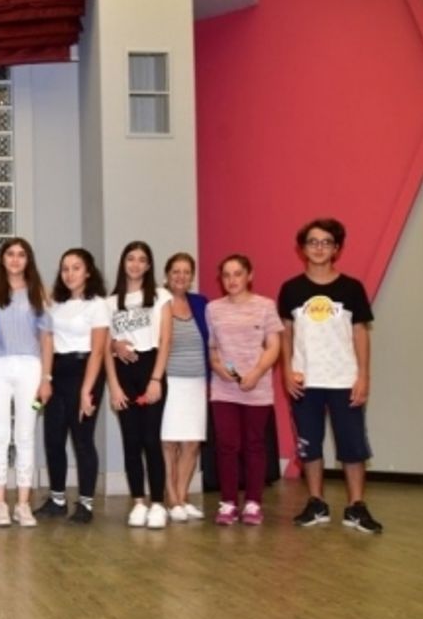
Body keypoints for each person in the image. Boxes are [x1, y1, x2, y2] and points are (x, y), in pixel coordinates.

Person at [278, 218, 382, 533]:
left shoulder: (351, 288)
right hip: (305, 381)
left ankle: (356, 506)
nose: (319, 247)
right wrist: (287, 370)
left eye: (326, 242)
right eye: (313, 242)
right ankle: (316, 503)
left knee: (352, 446)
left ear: (336, 248)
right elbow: (286, 334)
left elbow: (361, 333)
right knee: (309, 446)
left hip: (343, 380)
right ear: (303, 248)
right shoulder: (291, 289)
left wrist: (363, 377)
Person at [0, 238, 54, 529]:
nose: (15, 259)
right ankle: (0, 504)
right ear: (2, 259)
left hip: (31, 370)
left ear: (28, 260)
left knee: (25, 434)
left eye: (21, 255)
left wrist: (46, 379)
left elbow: (46, 339)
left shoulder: (38, 292)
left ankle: (23, 504)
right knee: (0, 434)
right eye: (10, 254)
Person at [208, 254, 283, 526]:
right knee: (226, 446)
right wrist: (218, 367)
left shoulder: (265, 306)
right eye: (226, 275)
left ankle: (253, 502)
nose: (232, 280)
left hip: (257, 389)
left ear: (249, 275)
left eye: (237, 274)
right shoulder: (213, 309)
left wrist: (256, 372)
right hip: (223, 390)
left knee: (254, 445)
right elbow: (213, 348)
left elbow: (274, 346)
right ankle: (228, 502)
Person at [105, 241, 173, 529]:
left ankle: (157, 503)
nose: (135, 264)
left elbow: (166, 340)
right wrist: (114, 386)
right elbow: (105, 346)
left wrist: (156, 379)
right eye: (130, 258)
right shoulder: (110, 302)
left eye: (141, 260)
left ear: (148, 266)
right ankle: (138, 502)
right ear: (123, 263)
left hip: (150, 367)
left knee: (150, 439)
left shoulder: (160, 296)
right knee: (130, 441)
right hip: (123, 373)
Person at [38, 248, 109, 524]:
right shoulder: (55, 304)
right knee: (53, 438)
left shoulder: (98, 304)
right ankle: (57, 499)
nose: (69, 274)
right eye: (65, 268)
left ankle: (86, 503)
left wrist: (86, 390)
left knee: (82, 439)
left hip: (85, 370)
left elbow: (98, 351)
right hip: (57, 371)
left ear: (88, 272)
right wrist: (46, 378)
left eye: (76, 268)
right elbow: (47, 342)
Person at [160, 253, 209, 522]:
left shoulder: (201, 303)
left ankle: (182, 496)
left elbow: (213, 340)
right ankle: (172, 500)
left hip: (197, 382)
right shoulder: (157, 302)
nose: (181, 276)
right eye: (175, 271)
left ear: (192, 276)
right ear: (166, 275)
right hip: (169, 382)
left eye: (186, 272)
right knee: (169, 443)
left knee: (191, 442)